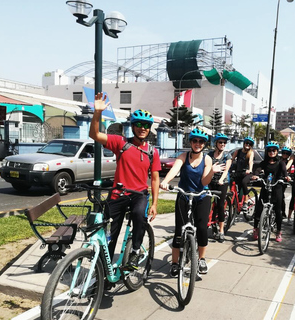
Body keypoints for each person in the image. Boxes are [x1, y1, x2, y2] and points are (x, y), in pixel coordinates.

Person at [89, 93, 161, 271]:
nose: (142, 128)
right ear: (133, 126)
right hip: (118, 194)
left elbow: (155, 179)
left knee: (138, 214)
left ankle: (135, 250)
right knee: (107, 232)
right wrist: (97, 113)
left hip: (139, 195)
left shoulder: (153, 152)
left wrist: (155, 203)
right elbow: (95, 134)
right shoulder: (121, 143)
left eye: (146, 126)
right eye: (139, 125)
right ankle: (103, 271)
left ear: (149, 128)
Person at [160, 128, 224, 276]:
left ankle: (201, 259)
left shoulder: (207, 159)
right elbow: (175, 170)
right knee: (178, 230)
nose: (198, 143)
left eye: (201, 141)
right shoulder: (183, 156)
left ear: (204, 144)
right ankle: (175, 263)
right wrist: (166, 181)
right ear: (191, 142)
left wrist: (212, 172)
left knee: (201, 228)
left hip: (201, 196)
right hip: (184, 195)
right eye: (195, 140)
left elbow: (204, 181)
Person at [251, 141, 290, 243]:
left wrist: (286, 177)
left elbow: (284, 172)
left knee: (278, 211)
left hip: (277, 186)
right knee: (259, 208)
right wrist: (255, 175)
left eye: (274, 150)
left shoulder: (280, 163)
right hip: (266, 185)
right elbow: (258, 170)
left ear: (277, 152)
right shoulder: (264, 163)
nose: (272, 152)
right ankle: (255, 229)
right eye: (270, 150)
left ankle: (278, 232)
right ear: (267, 151)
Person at [208, 133, 232, 243]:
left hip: (222, 182)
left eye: (224, 142)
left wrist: (221, 180)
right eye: (220, 142)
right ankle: (210, 222)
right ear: (216, 143)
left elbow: (226, 170)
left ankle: (221, 230)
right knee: (206, 202)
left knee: (220, 205)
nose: (222, 144)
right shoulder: (209, 155)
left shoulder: (227, 156)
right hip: (210, 181)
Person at [231, 136, 255, 210]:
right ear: (244, 143)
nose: (248, 145)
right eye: (247, 143)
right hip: (239, 172)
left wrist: (250, 169)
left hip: (247, 173)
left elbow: (251, 161)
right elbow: (231, 160)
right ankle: (233, 201)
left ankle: (245, 201)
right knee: (232, 182)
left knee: (244, 182)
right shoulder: (238, 151)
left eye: (250, 144)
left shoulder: (251, 153)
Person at [280, 146, 292, 219]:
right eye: (283, 153)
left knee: (281, 196)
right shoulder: (278, 160)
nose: (285, 154)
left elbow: (289, 171)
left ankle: (283, 212)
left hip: (283, 180)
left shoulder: (289, 162)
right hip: (275, 179)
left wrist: (288, 176)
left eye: (286, 153)